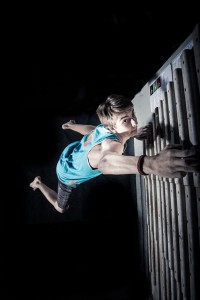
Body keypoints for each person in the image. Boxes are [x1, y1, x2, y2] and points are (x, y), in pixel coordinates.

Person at [30, 94, 200, 213]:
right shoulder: (112, 144)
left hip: (72, 153)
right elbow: (106, 162)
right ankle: (38, 184)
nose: (134, 121)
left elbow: (92, 130)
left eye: (132, 113)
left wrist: (72, 126)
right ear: (112, 128)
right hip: (66, 175)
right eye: (126, 120)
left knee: (92, 131)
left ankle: (70, 124)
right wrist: (151, 164)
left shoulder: (105, 128)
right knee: (60, 209)